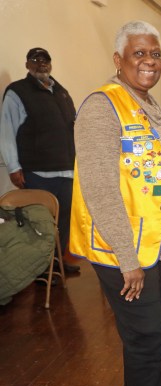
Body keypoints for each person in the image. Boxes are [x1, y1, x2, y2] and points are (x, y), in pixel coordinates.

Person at [69, 21, 161, 386]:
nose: (150, 62)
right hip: (122, 251)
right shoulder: (103, 107)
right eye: (139, 54)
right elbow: (100, 190)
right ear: (118, 60)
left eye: (155, 54)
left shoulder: (149, 105)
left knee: (149, 336)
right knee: (147, 337)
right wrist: (128, 261)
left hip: (154, 247)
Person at [0, 47, 79, 273]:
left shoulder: (61, 92)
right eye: (35, 60)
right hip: (37, 173)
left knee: (62, 221)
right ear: (27, 65)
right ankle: (41, 268)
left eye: (45, 60)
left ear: (50, 64)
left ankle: (57, 263)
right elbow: (7, 131)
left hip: (66, 170)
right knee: (41, 223)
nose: (41, 64)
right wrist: (14, 167)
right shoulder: (17, 91)